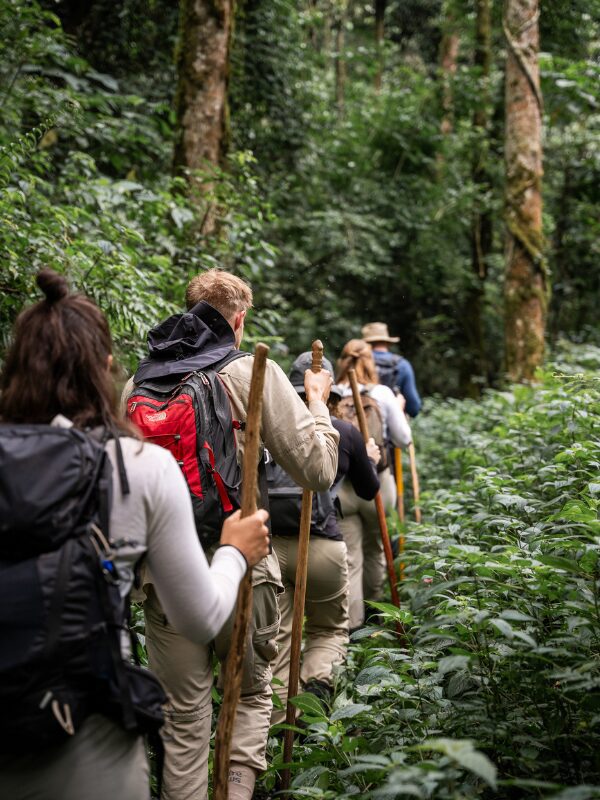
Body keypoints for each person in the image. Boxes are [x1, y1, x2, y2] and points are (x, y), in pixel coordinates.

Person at [0, 269, 271, 800]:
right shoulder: (137, 465)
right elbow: (201, 616)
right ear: (105, 369)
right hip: (88, 736)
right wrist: (235, 552)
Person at [124, 269, 339, 800]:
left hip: (163, 576)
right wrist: (317, 405)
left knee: (182, 717)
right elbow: (317, 469)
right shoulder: (248, 372)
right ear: (239, 320)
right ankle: (238, 792)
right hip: (243, 567)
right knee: (245, 696)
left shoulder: (139, 383)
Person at [269, 353, 381, 724]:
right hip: (323, 545)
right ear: (329, 390)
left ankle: (279, 725)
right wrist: (369, 458)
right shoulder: (344, 432)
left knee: (279, 641)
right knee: (329, 628)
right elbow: (368, 491)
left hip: (267, 546)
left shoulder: (267, 428)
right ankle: (317, 684)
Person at [334, 339, 412, 630]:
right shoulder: (383, 394)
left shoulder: (331, 393)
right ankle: (376, 614)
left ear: (342, 361)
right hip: (377, 484)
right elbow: (404, 439)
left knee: (350, 556)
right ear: (371, 362)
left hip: (343, 486)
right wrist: (400, 410)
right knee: (376, 548)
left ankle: (353, 626)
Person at [361, 322, 422, 417]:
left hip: (361, 425)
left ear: (366, 343)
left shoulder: (357, 363)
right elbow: (413, 408)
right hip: (393, 427)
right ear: (387, 342)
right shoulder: (402, 365)